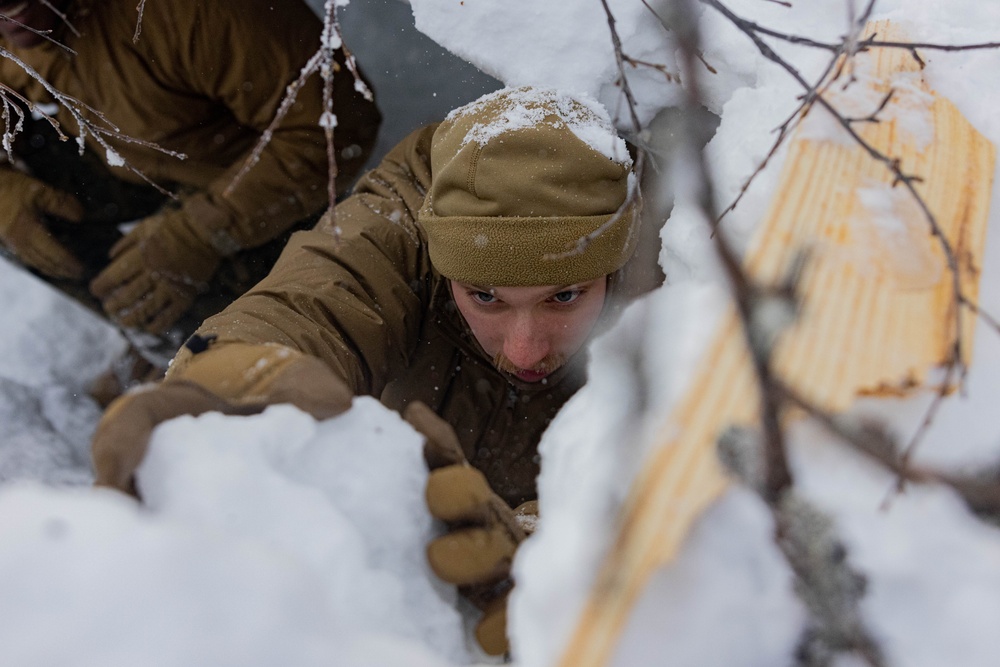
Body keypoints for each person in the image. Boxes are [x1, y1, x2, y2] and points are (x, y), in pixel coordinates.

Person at [90, 86, 663, 655]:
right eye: (485, 297)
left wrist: (559, 538)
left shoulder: (684, 269)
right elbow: (317, 297)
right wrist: (230, 380)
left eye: (563, 297)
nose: (522, 349)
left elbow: (682, 448)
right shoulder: (405, 223)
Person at [0, 0, 381, 369]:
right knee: (22, 211)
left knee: (249, 340)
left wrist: (200, 232)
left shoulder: (189, 10)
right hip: (139, 158)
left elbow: (340, 123)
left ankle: (233, 349)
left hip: (262, 184)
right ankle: (167, 339)